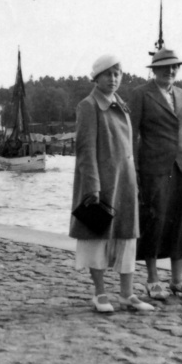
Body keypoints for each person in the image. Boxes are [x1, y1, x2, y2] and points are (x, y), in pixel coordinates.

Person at [70, 55, 154, 313]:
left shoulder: (122, 104)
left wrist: (135, 180)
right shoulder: (89, 105)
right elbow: (85, 150)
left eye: (117, 73)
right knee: (98, 236)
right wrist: (92, 187)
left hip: (125, 183)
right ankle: (100, 293)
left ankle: (127, 294)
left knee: (127, 237)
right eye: (108, 74)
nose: (113, 78)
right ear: (96, 77)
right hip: (103, 184)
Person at [129, 48, 182, 301]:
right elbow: (132, 134)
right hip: (153, 168)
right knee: (154, 220)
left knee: (179, 222)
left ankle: (177, 280)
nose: (170, 71)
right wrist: (134, 169)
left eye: (174, 67)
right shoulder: (141, 94)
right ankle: (152, 279)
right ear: (154, 69)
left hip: (181, 169)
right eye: (164, 67)